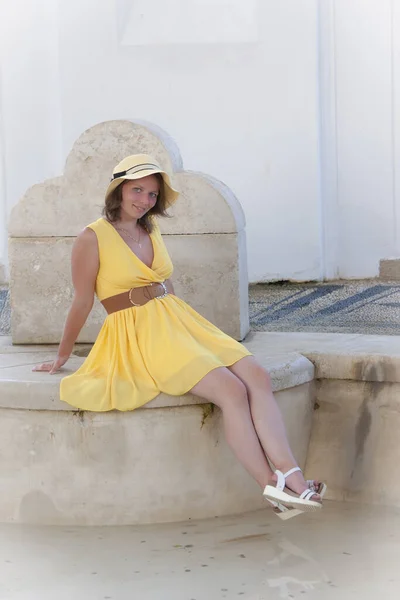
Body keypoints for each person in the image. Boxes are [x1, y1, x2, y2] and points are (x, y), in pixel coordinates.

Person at [33, 154, 325, 518]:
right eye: (137, 190)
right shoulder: (91, 237)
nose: (144, 200)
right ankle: (272, 486)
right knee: (230, 391)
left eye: (153, 194)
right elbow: (81, 301)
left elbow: (165, 284)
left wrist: (189, 330)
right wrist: (63, 354)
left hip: (176, 319)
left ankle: (293, 476)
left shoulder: (149, 230)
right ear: (118, 189)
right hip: (136, 331)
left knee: (256, 376)